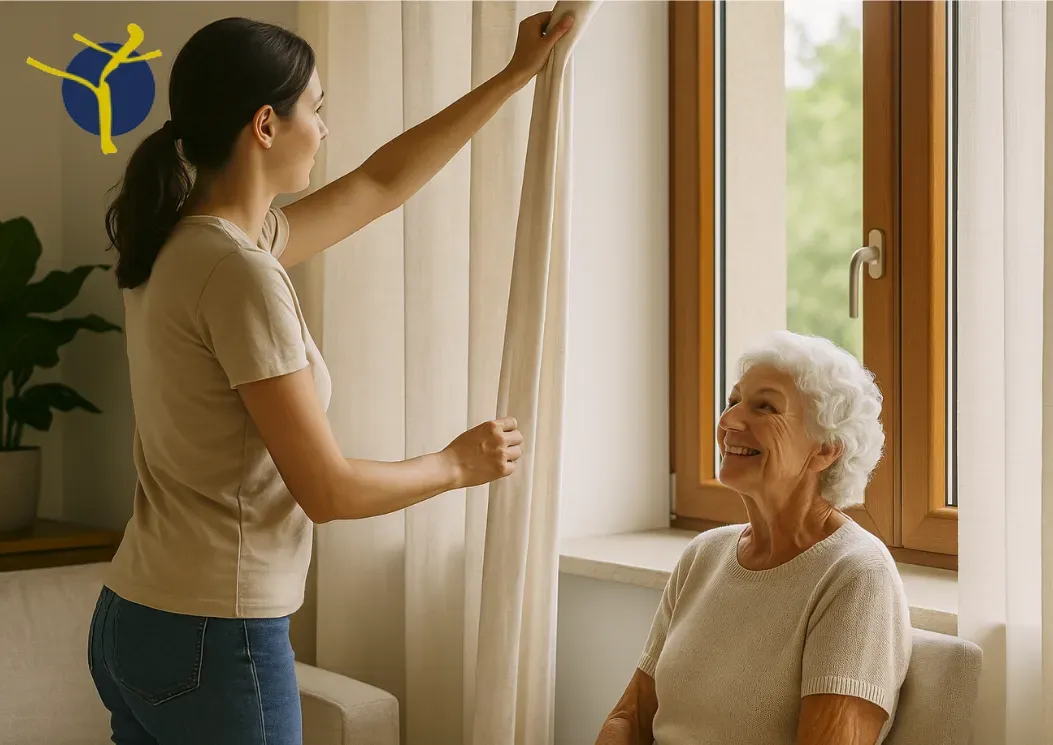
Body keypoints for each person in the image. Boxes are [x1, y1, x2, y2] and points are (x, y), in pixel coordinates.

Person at [87, 13, 573, 745]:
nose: (324, 127)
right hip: (214, 635)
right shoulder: (239, 272)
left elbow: (379, 183)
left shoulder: (180, 244)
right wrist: (455, 463)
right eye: (316, 108)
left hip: (132, 618)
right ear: (264, 125)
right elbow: (326, 489)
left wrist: (511, 77)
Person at [596, 331, 912, 745]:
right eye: (733, 401)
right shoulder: (704, 555)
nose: (728, 421)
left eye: (765, 407)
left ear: (825, 450)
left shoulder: (855, 575)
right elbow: (631, 716)